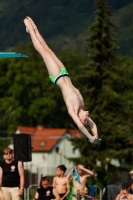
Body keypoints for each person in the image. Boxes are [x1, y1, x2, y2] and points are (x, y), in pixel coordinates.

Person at [23, 16, 101, 145]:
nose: (87, 120)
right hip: (65, 73)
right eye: (87, 120)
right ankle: (35, 30)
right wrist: (95, 136)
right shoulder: (82, 107)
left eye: (84, 120)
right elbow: (93, 125)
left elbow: (81, 127)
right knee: (49, 51)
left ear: (78, 120)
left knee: (44, 52)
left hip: (57, 76)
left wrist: (89, 138)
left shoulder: (72, 110)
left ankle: (30, 31)